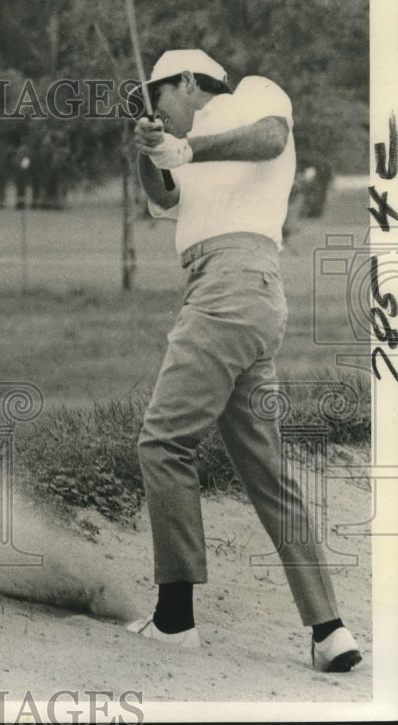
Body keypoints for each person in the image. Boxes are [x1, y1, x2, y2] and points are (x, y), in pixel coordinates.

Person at [126, 49, 362, 672]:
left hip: (230, 292)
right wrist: (149, 152)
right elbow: (163, 197)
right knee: (266, 472)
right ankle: (330, 630)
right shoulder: (183, 142)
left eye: (157, 98)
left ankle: (175, 620)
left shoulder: (252, 93)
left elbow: (271, 136)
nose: (153, 110)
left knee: (162, 443)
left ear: (186, 82)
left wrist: (187, 149)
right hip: (244, 301)